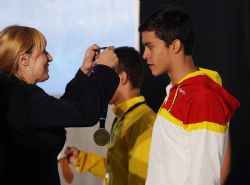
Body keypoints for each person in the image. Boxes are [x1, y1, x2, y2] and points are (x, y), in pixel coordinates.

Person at [0, 25, 119, 185]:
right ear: (24, 60)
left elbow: (60, 112)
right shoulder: (23, 97)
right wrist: (104, 70)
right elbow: (85, 114)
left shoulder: (13, 93)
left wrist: (85, 72)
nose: (50, 58)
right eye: (43, 52)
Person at [138, 5, 240, 185]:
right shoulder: (176, 91)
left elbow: (206, 178)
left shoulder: (202, 97)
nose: (145, 55)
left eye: (150, 46)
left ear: (175, 45)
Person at [64, 46, 156, 185]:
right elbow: (116, 171)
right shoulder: (124, 117)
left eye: (106, 76)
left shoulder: (143, 121)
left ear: (122, 78)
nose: (99, 82)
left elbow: (140, 180)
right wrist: (81, 159)